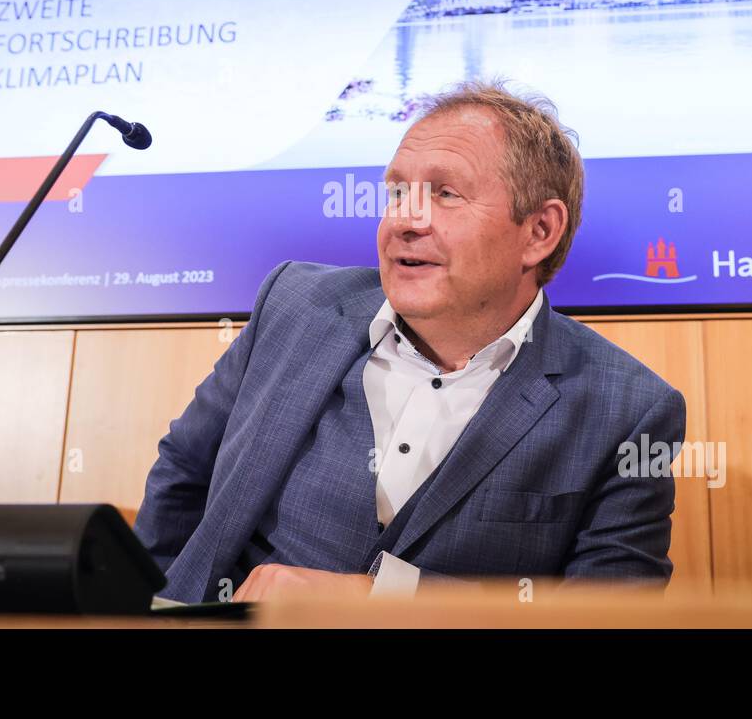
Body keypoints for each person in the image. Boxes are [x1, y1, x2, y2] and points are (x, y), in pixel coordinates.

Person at [135, 80, 686, 602]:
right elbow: (184, 473)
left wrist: (380, 599)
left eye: (445, 194)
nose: (404, 220)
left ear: (539, 232)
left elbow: (609, 613)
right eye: (398, 192)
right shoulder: (294, 305)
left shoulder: (629, 411)